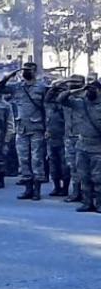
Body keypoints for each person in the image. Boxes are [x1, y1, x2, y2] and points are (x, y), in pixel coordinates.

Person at [0, 63, 48, 200]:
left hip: (37, 128)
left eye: (28, 70)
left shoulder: (42, 87)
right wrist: (8, 76)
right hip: (21, 128)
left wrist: (47, 128)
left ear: (35, 71)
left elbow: (47, 108)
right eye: (24, 69)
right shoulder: (17, 86)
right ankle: (28, 188)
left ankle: (37, 189)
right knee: (23, 159)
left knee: (37, 159)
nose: (26, 72)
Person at [57, 80, 101, 213]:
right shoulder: (81, 103)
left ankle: (99, 204)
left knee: (98, 178)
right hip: (82, 146)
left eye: (94, 89)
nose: (90, 92)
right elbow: (61, 99)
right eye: (89, 89)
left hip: (98, 147)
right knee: (84, 176)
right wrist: (76, 90)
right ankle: (87, 203)